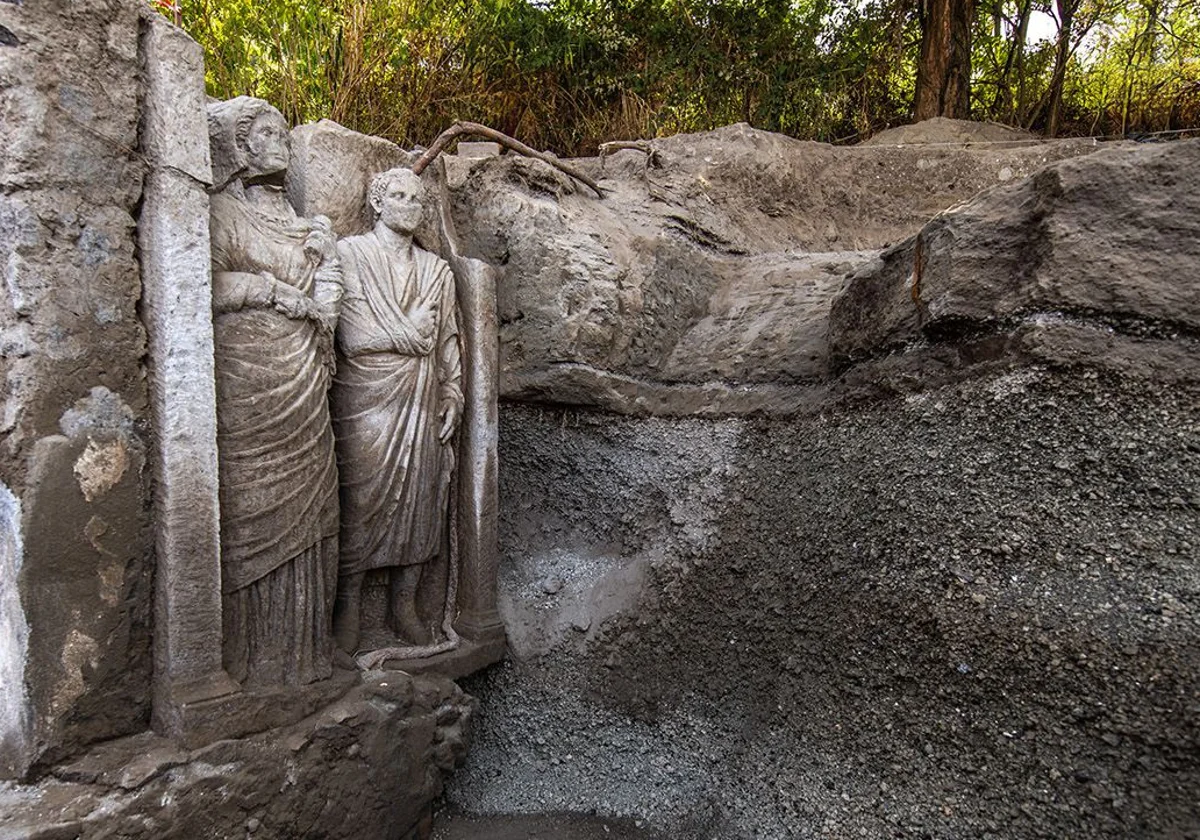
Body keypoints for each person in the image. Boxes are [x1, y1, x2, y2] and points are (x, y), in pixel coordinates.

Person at [207, 97, 343, 686]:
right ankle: (250, 659)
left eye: (284, 131)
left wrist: (327, 266)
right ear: (240, 147)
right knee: (253, 506)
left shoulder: (305, 225)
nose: (280, 139)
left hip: (305, 377)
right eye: (266, 131)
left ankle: (306, 654)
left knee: (314, 503)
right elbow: (205, 283)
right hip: (248, 378)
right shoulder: (221, 213)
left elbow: (329, 302)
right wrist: (270, 290)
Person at [331, 167, 463, 653]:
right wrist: (409, 334)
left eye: (417, 198)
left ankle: (403, 605)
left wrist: (453, 392)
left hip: (422, 398)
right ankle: (347, 605)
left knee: (422, 497)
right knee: (359, 498)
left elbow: (445, 340)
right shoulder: (350, 254)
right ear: (377, 202)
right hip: (364, 398)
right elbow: (353, 336)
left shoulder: (437, 271)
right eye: (400, 195)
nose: (410, 205)